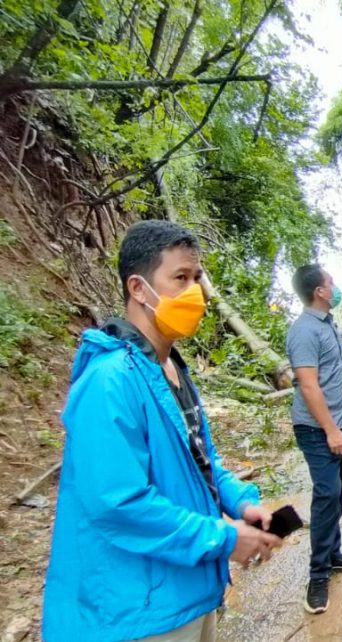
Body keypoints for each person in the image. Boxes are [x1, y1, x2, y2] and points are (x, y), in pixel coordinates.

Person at [42, 220, 281, 642]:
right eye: (180, 278)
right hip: (139, 610)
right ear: (138, 288)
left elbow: (201, 463)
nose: (195, 293)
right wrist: (224, 537)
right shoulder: (110, 381)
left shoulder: (169, 369)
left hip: (187, 592)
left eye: (197, 278)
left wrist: (241, 504)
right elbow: (120, 503)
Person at [286, 265, 342, 615]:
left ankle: (333, 553)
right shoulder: (303, 331)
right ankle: (317, 575)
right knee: (327, 494)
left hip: (337, 423)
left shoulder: (328, 324)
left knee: (340, 490)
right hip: (317, 430)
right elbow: (308, 385)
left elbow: (335, 376)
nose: (335, 288)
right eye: (331, 283)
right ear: (319, 291)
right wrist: (331, 430)